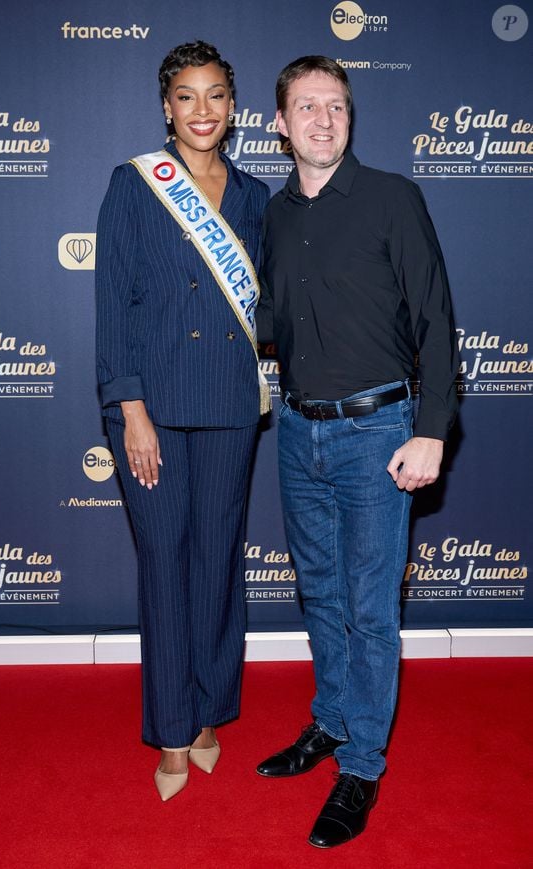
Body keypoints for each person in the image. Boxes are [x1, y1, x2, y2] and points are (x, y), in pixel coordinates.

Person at [255, 56, 459, 848]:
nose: (322, 120)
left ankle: (363, 767)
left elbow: (438, 322)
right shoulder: (272, 216)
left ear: (351, 117)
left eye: (335, 106)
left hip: (379, 433)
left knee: (371, 612)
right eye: (306, 107)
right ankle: (332, 725)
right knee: (322, 596)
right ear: (280, 123)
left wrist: (432, 427)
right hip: (297, 430)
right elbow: (270, 321)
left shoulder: (392, 199)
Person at [95, 40, 269, 802]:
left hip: (230, 404)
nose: (203, 110)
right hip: (153, 412)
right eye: (187, 96)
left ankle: (207, 714)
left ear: (234, 106)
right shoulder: (134, 187)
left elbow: (273, 309)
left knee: (218, 561)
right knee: (165, 562)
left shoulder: (257, 196)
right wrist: (132, 412)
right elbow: (112, 309)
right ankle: (171, 729)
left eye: (216, 95)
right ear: (166, 107)